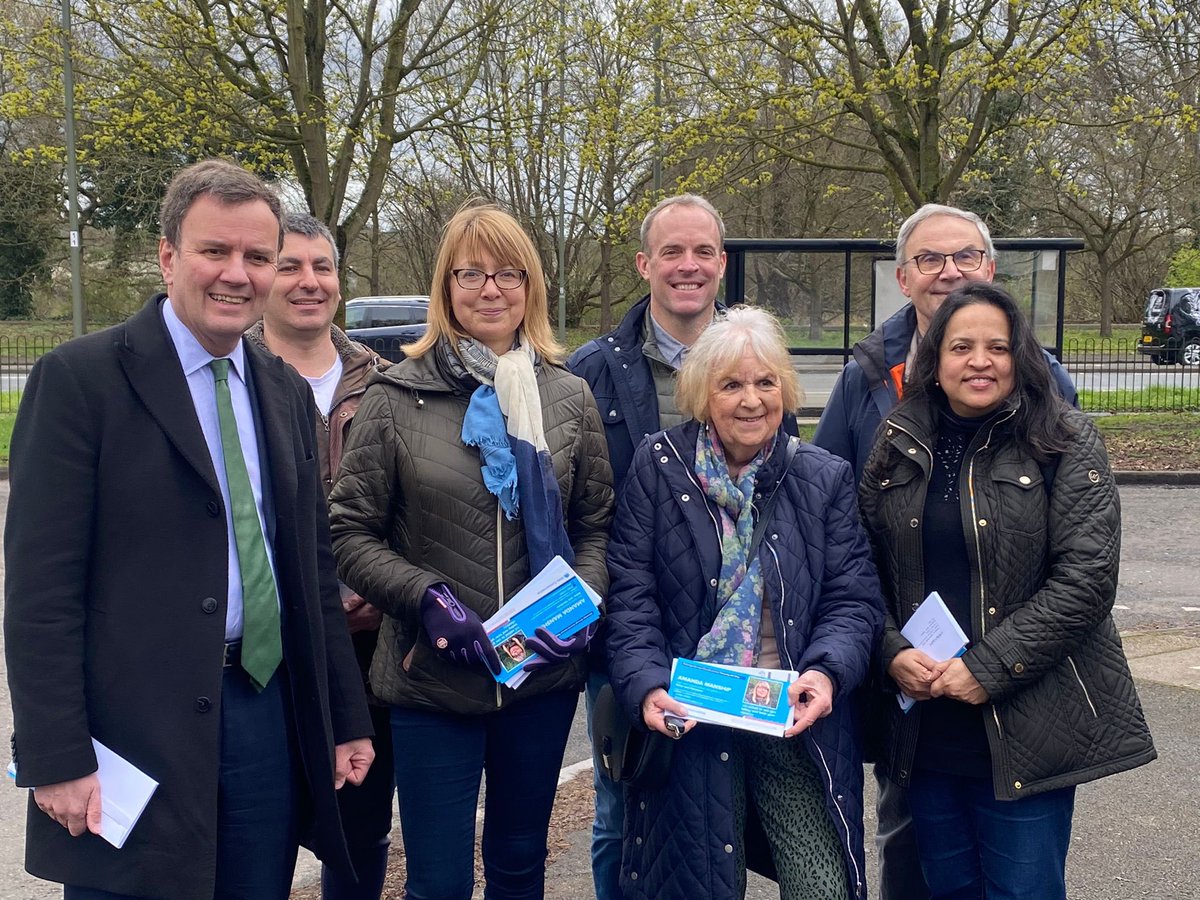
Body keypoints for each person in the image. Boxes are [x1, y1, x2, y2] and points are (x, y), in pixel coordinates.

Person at [4, 159, 374, 900]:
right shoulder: (81, 381)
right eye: (216, 251)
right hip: (135, 734)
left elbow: (307, 568)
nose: (237, 274)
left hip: (267, 712)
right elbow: (41, 593)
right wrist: (56, 755)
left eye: (256, 257)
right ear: (169, 255)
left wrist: (342, 717)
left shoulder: (282, 390)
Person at [328, 203, 614, 899]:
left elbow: (596, 527)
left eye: (509, 273)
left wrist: (578, 603)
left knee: (520, 868)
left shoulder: (569, 396)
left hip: (540, 680)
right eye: (472, 273)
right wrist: (422, 596)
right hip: (432, 683)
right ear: (445, 286)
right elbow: (348, 531)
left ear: (531, 286)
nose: (492, 290)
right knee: (438, 880)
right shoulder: (396, 397)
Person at [811, 202, 1077, 900]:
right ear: (904, 276)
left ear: (990, 269)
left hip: (1019, 694)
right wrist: (889, 649)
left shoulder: (1051, 394)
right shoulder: (872, 384)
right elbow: (840, 530)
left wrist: (992, 664)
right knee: (917, 866)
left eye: (964, 256)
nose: (948, 271)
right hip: (915, 692)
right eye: (931, 259)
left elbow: (1082, 566)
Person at [856, 283, 1156, 900]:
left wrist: (987, 669)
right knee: (948, 889)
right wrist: (889, 649)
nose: (979, 360)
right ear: (934, 361)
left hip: (1027, 722)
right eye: (961, 346)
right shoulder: (897, 440)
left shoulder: (1065, 440)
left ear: (1020, 357)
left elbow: (1087, 579)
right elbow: (861, 567)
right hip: (931, 722)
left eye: (997, 346)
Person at [605, 306, 884, 900]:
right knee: (698, 886)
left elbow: (852, 599)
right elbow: (632, 599)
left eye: (765, 383)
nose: (752, 400)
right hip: (691, 720)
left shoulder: (822, 477)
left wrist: (826, 673)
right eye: (731, 384)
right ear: (703, 394)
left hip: (792, 718)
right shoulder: (657, 470)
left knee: (823, 886)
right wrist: (647, 684)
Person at [567, 193, 728, 899]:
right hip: (627, 634)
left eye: (702, 252)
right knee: (621, 807)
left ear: (722, 263)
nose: (687, 266)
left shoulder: (753, 354)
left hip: (736, 633)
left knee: (724, 811)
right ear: (644, 264)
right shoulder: (591, 371)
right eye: (672, 252)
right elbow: (578, 507)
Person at [248, 211, 393, 900]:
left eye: (322, 267)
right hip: (269, 652)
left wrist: (381, 585)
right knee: (263, 828)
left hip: (371, 650)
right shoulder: (233, 377)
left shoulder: (391, 383)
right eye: (289, 266)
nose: (309, 282)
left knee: (360, 834)